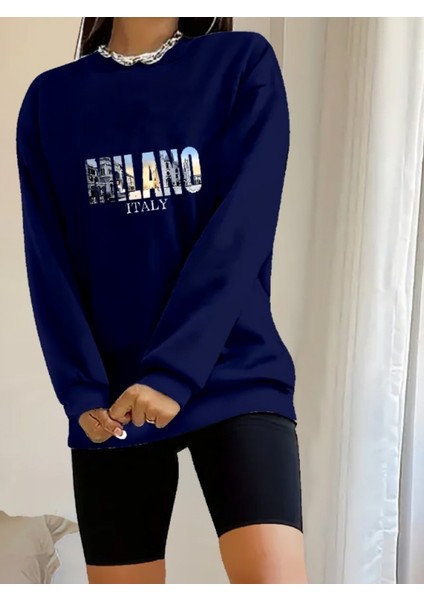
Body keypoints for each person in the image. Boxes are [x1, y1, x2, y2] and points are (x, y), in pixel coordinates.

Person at [15, 17, 308, 584]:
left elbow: (242, 227)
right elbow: (48, 258)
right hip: (111, 399)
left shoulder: (240, 64)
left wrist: (174, 371)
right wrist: (80, 390)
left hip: (233, 368)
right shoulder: (52, 99)